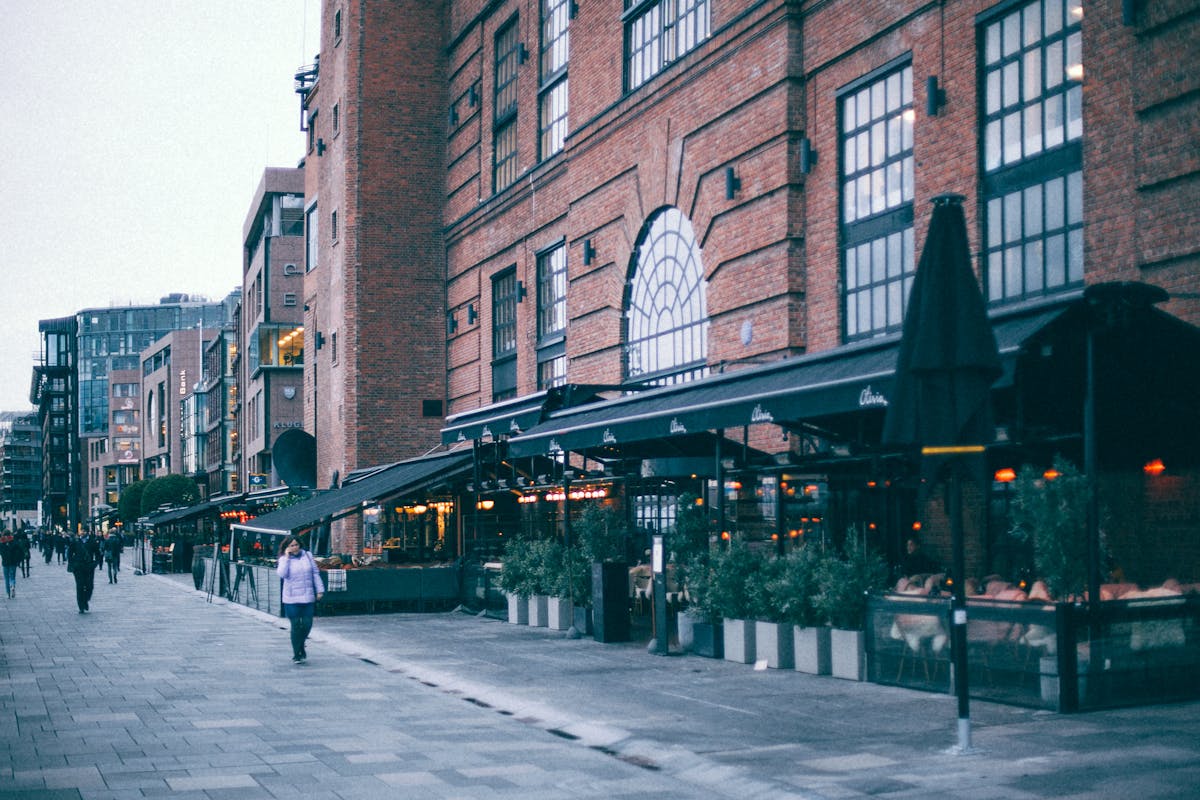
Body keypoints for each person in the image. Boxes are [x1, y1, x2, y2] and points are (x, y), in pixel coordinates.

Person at [276, 535, 324, 663]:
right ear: (287, 547)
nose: (294, 547)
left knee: (307, 625)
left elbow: (315, 573)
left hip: (307, 596)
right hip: (291, 598)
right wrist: (286, 557)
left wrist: (319, 590)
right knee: (296, 626)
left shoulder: (307, 556)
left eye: (296, 545)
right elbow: (282, 574)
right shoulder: (283, 559)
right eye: (291, 545)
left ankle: (300, 644)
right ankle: (297, 653)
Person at [67, 532, 97, 613]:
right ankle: (81, 606)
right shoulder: (76, 542)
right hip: (78, 567)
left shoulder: (92, 541)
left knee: (89, 586)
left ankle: (85, 600)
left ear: (87, 532)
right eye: (81, 531)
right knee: (80, 586)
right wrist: (72, 563)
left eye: (84, 531)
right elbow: (69, 553)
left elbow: (97, 553)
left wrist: (95, 563)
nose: (82, 532)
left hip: (89, 567)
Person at [0, 532, 21, 598]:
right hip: (13, 563)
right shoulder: (14, 542)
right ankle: (12, 585)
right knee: (12, 576)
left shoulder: (1, 543)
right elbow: (19, 551)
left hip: (5, 563)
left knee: (6, 578)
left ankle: (8, 593)